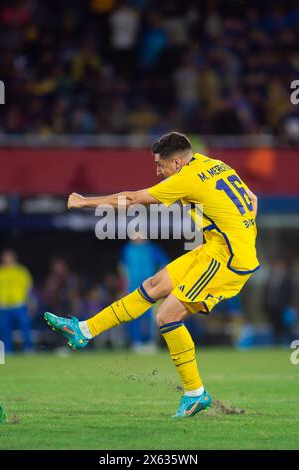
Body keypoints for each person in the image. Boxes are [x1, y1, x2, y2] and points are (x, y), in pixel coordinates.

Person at [44, 132, 259, 418]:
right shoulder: (216, 164)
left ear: (178, 162)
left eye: (160, 165)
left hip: (227, 258)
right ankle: (83, 331)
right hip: (216, 247)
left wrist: (84, 202)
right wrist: (242, 230)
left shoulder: (185, 178)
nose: (157, 171)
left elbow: (132, 199)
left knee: (166, 316)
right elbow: (252, 199)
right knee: (154, 285)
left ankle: (195, 394)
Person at [119, 236, 169, 352]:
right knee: (133, 315)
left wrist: (159, 280)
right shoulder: (127, 249)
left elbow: (164, 263)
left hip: (150, 287)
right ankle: (136, 342)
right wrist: (125, 284)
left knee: (151, 316)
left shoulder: (152, 248)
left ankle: (150, 342)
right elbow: (122, 266)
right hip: (133, 287)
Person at [0, 249, 33, 353]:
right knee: (4, 331)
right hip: (3, 307)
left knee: (25, 328)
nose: (7, 259)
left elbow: (29, 288)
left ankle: (28, 349)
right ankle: (7, 351)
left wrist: (30, 303)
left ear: (14, 258)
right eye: (5, 257)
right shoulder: (0, 272)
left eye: (9, 257)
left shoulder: (21, 271)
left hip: (19, 305)